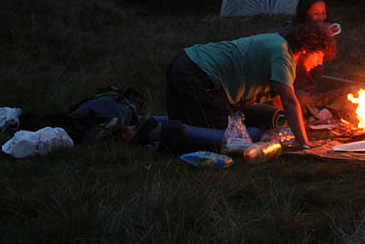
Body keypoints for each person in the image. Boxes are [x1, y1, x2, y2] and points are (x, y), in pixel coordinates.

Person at [135, 22, 337, 151]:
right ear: (306, 48)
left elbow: (279, 99)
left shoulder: (277, 43)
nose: (318, 63)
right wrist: (304, 143)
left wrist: (284, 127)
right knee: (230, 140)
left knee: (187, 121)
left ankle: (134, 123)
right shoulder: (283, 55)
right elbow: (289, 99)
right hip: (200, 73)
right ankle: (159, 131)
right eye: (319, 56)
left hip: (184, 61)